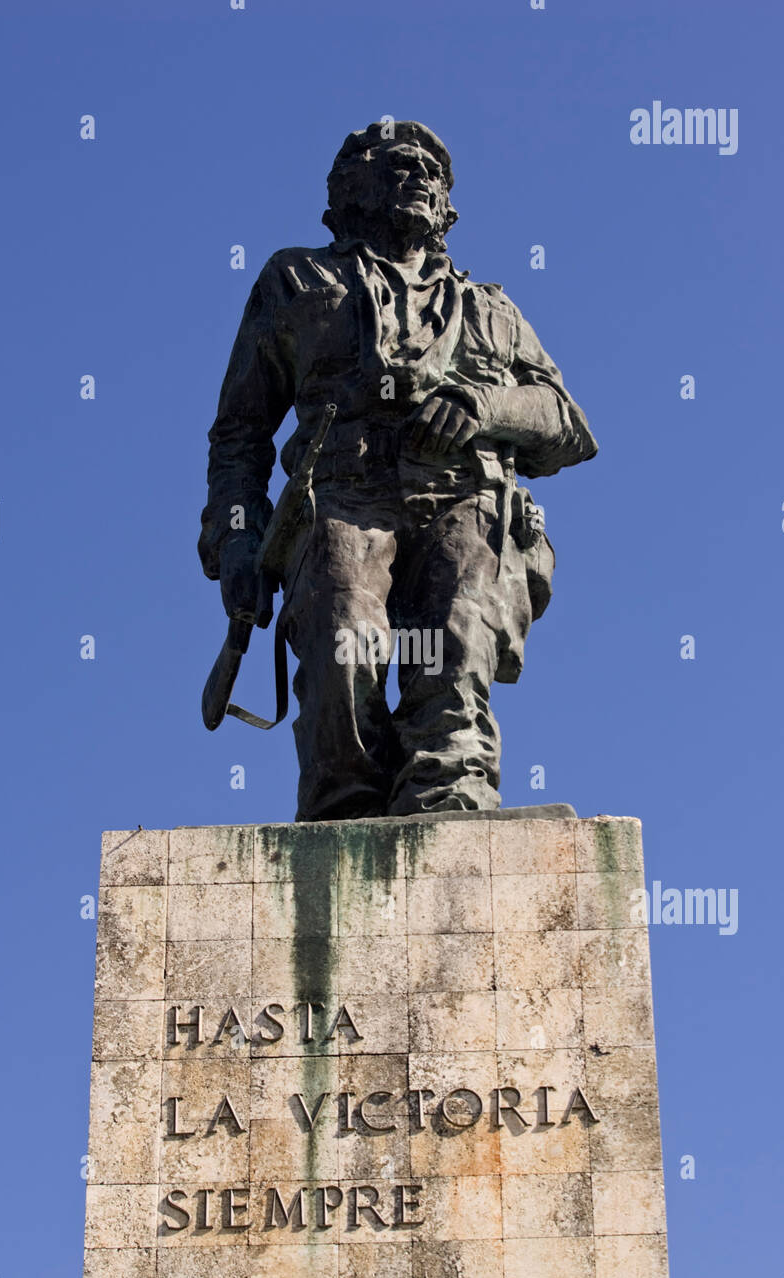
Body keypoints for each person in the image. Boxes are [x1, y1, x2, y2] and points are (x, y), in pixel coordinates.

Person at [199, 121, 597, 822]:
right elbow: (240, 433)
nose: (417, 174)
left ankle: (452, 816)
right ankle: (342, 822)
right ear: (346, 190)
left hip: (464, 501)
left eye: (431, 170)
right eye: (393, 163)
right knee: (340, 653)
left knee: (455, 646)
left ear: (448, 208)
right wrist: (236, 539)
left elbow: (567, 424)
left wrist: (484, 404)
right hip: (342, 500)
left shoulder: (490, 309)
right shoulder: (297, 279)